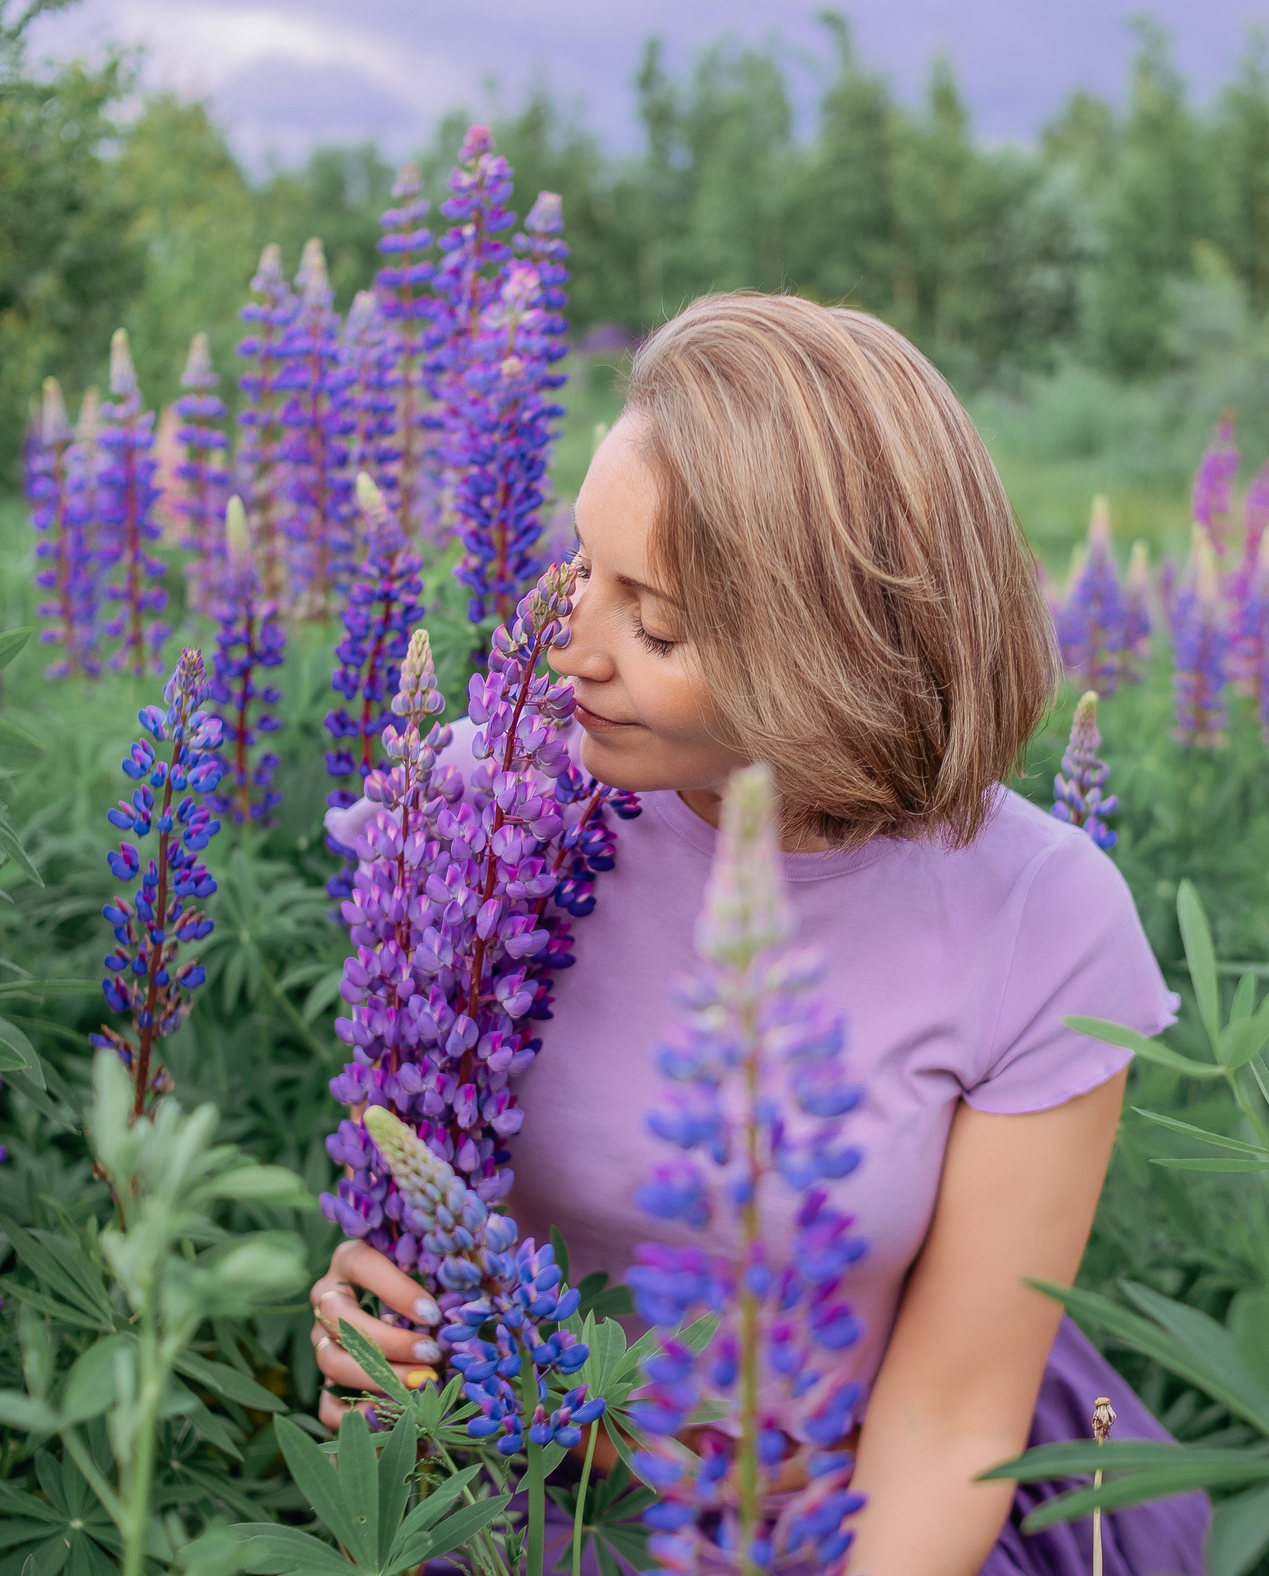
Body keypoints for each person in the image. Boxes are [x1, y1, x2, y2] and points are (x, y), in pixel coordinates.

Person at [312, 293, 1208, 1575]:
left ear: (827, 658)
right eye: (579, 568)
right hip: (513, 1494)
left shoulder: (1042, 914)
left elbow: (953, 1421)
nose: (569, 648)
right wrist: (375, 1305)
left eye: (655, 623)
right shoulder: (482, 807)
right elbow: (398, 1145)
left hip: (846, 1526)